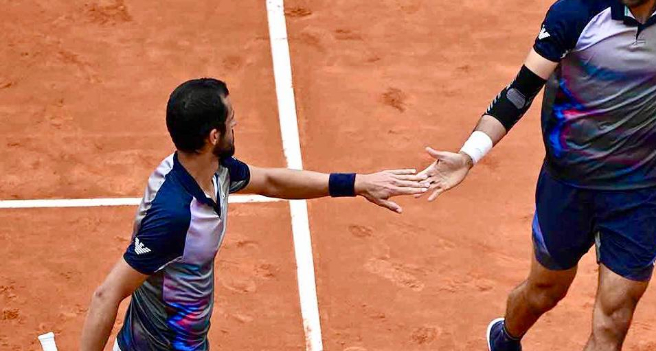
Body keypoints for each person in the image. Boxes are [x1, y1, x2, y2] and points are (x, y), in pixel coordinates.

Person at [418, 0, 656, 351]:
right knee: (545, 292)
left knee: (614, 319)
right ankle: (506, 337)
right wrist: (469, 154)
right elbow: (520, 91)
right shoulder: (575, 13)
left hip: (639, 188)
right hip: (570, 181)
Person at [80, 78, 428, 351]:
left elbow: (271, 181)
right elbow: (106, 294)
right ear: (213, 136)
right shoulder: (174, 216)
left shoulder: (214, 170)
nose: (236, 124)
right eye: (230, 120)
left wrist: (357, 183)